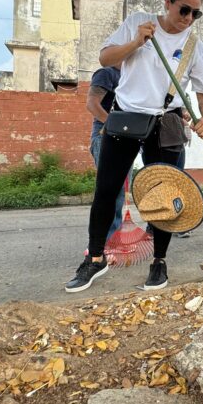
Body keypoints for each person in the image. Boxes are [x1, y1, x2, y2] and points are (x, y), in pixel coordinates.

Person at [65, 0, 203, 293]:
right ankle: (95, 259)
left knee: (165, 196)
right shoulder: (138, 23)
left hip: (168, 121)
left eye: (195, 14)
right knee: (106, 190)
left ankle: (159, 262)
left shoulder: (193, 45)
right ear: (168, 3)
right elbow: (105, 58)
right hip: (125, 118)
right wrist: (136, 43)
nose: (188, 19)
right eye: (184, 10)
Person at [85, 65, 123, 264]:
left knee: (119, 194)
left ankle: (112, 241)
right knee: (109, 193)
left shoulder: (130, 75)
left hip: (124, 138)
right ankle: (102, 247)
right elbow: (92, 104)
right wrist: (112, 124)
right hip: (104, 136)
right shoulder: (107, 73)